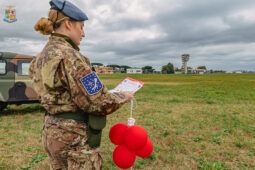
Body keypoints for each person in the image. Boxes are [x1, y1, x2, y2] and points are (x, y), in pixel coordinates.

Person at [29, 0, 133, 169]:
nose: (83, 33)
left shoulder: (40, 57)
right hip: (74, 141)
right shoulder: (71, 57)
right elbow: (98, 102)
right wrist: (123, 95)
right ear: (68, 24)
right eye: (81, 27)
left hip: (52, 133)